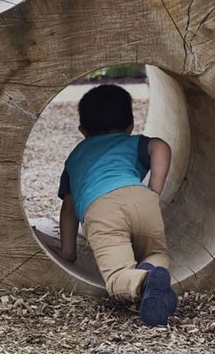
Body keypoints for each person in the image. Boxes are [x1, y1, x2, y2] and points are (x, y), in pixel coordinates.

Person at [53, 84, 177, 326]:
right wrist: (155, 190)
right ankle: (152, 270)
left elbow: (68, 209)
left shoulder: (75, 158)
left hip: (101, 211)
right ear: (130, 125)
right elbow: (160, 146)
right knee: (157, 251)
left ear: (83, 130)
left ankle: (142, 282)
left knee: (117, 276)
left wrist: (68, 251)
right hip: (142, 201)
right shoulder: (133, 143)